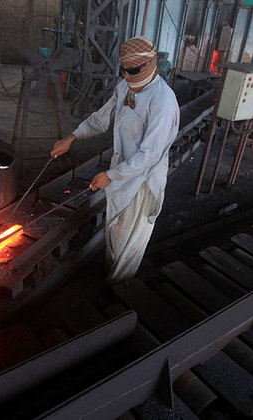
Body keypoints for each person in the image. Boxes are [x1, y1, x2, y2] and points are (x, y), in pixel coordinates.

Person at [50, 36, 180, 283]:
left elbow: (149, 156)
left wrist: (110, 176)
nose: (128, 76)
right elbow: (101, 119)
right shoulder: (124, 88)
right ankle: (111, 276)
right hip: (121, 172)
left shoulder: (162, 101)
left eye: (133, 71)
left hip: (143, 180)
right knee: (115, 231)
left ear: (149, 65)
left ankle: (119, 290)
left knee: (129, 242)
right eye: (124, 70)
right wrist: (72, 137)